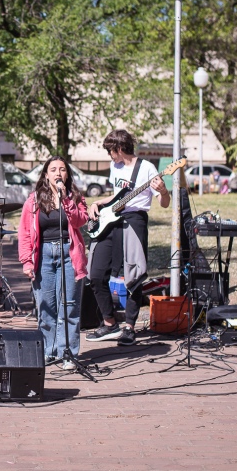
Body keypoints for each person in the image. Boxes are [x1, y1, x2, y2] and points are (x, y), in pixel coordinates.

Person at [86, 129, 170, 346]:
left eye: (110, 151)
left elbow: (163, 202)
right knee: (95, 274)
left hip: (135, 220)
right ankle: (109, 322)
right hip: (111, 219)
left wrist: (164, 191)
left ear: (119, 148)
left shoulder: (147, 168)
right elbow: (117, 194)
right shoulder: (116, 166)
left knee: (133, 274)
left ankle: (130, 327)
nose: (110, 156)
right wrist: (99, 203)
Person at [18, 157, 88, 370]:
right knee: (46, 306)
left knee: (69, 307)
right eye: (53, 169)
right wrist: (27, 262)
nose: (58, 173)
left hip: (69, 253)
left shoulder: (74, 197)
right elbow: (25, 233)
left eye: (62, 170)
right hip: (44, 256)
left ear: (67, 175)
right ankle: (48, 351)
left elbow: (79, 221)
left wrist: (66, 199)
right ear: (45, 174)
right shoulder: (33, 200)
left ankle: (67, 352)